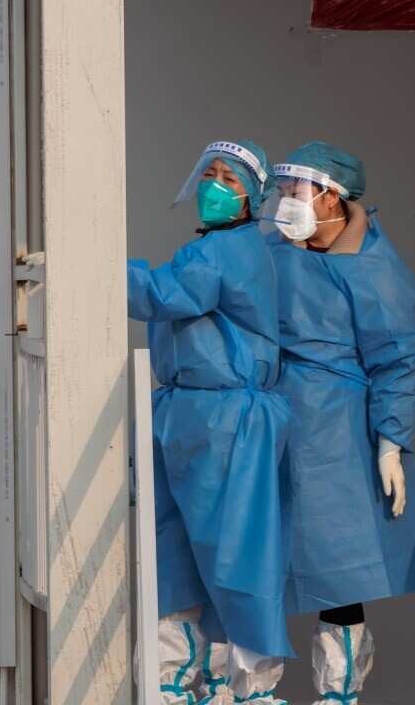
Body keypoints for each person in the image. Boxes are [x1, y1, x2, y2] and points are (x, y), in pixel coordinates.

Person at [266, 141, 415, 704]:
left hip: (335, 439)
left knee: (339, 574)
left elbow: (399, 358)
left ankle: (339, 694)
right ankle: (249, 692)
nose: (287, 200)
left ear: (331, 197)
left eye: (297, 189)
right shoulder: (272, 253)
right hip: (265, 427)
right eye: (282, 189)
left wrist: (390, 442)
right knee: (251, 565)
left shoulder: (372, 267)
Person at [129, 140, 293, 704]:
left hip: (225, 423)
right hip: (192, 418)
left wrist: (93, 266)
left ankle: (246, 688)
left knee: (233, 560)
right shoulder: (217, 248)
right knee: (179, 557)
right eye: (209, 173)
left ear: (252, 195)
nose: (214, 185)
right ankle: (179, 682)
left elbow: (163, 293)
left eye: (230, 178)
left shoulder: (226, 251)